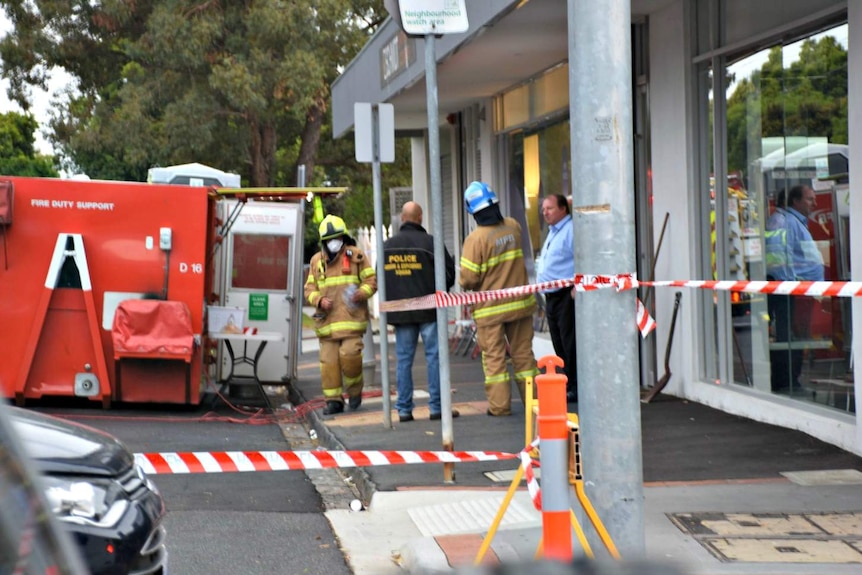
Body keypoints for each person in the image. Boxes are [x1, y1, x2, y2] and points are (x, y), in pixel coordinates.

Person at [459, 181, 539, 416]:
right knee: (524, 356)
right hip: (521, 305)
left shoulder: (475, 239)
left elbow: (469, 280)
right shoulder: (513, 226)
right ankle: (534, 405)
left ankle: (500, 407)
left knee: (494, 360)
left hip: (490, 310)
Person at [383, 201, 458, 422]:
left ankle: (404, 410)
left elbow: (381, 278)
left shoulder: (388, 245)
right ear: (420, 217)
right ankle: (437, 407)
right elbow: (448, 275)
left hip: (401, 312)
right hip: (429, 311)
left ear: (402, 219)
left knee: (403, 360)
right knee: (435, 358)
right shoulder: (430, 243)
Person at [304, 214, 377, 415]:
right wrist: (319, 300)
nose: (334, 243)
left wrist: (360, 293)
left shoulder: (357, 257)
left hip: (351, 322)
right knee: (329, 364)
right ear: (324, 242)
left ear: (344, 238)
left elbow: (371, 282)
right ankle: (333, 401)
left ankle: (354, 392)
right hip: (327, 324)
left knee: (350, 355)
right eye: (329, 240)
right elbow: (309, 289)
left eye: (337, 238)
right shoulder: (316, 261)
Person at [764, 184, 825, 393]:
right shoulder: (785, 222)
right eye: (809, 199)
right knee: (789, 338)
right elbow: (777, 259)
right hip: (791, 292)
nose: (814, 203)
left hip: (800, 291)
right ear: (795, 201)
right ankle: (786, 383)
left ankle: (792, 381)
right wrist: (792, 286)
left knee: (796, 337)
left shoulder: (795, 222)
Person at [536, 194, 578, 403]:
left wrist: (577, 286)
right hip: (551, 296)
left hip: (565, 295)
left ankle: (575, 386)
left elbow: (583, 257)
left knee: (569, 343)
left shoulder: (570, 230)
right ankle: (568, 383)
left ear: (563, 209)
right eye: (544, 209)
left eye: (550, 208)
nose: (545, 212)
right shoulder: (553, 232)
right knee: (559, 342)